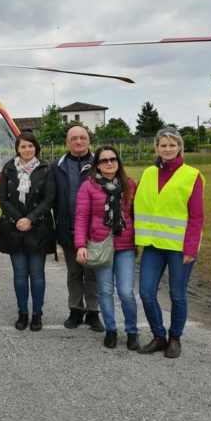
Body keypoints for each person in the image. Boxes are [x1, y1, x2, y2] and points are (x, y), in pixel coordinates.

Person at [135, 128, 205, 358]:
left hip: (179, 248)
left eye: (172, 145)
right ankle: (158, 336)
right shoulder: (148, 174)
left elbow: (196, 217)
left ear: (179, 147)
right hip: (153, 246)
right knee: (146, 292)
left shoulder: (191, 175)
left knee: (177, 294)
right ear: (156, 148)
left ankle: (175, 338)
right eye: (163, 145)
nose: (167, 149)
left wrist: (191, 248)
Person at [75, 146, 139, 350]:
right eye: (104, 160)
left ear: (118, 161)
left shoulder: (130, 185)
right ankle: (111, 329)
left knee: (126, 291)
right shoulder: (88, 186)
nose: (109, 163)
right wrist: (80, 245)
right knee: (105, 290)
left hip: (125, 245)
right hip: (101, 245)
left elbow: (138, 215)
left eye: (113, 159)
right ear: (98, 165)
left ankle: (132, 331)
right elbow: (82, 217)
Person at [0, 132, 55, 331]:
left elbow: (49, 199)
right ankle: (22, 313)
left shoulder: (45, 168)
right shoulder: (9, 168)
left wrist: (30, 219)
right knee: (20, 274)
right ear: (18, 149)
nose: (27, 150)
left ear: (36, 148)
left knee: (37, 274)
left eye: (30, 146)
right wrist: (18, 220)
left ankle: (37, 314)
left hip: (38, 228)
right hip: (14, 228)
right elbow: (2, 198)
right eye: (23, 147)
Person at [52, 126, 104, 332]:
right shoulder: (57, 166)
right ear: (67, 143)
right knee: (74, 272)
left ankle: (93, 312)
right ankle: (75, 309)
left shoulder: (101, 164)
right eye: (74, 138)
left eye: (83, 138)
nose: (79, 142)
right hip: (68, 229)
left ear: (89, 140)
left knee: (92, 273)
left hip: (94, 232)